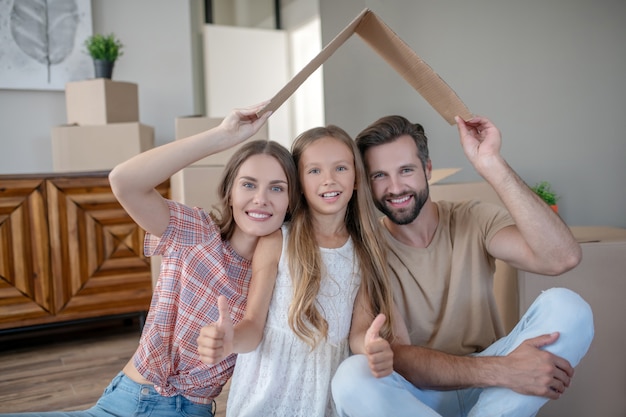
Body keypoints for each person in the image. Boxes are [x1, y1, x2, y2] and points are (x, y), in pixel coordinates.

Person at [4, 103, 298, 417]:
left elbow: (255, 334)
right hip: (123, 397)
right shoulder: (198, 233)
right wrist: (221, 136)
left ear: (291, 200)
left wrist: (230, 339)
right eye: (249, 184)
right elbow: (124, 181)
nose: (261, 199)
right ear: (229, 191)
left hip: (186, 409)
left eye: (276, 188)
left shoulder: (282, 270)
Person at [331, 115, 594, 417]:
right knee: (352, 376)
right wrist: (502, 370)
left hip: (492, 393)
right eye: (380, 176)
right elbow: (396, 356)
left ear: (427, 169)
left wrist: (492, 165)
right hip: (416, 397)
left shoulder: (473, 218)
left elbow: (563, 257)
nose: (395, 187)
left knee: (569, 307)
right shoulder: (366, 247)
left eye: (406, 170)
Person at [197, 125, 405, 417]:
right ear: (299, 184)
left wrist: (371, 347)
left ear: (357, 178)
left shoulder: (363, 253)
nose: (329, 180)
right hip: (266, 400)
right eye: (314, 171)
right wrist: (230, 340)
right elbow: (253, 327)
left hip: (324, 401)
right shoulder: (278, 239)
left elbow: (358, 331)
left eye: (341, 168)